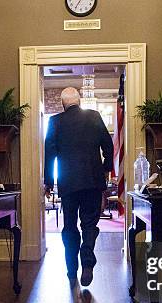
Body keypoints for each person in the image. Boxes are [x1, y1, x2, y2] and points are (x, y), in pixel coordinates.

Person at [44, 87, 114, 286]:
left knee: (69, 225)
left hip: (68, 183)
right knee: (90, 224)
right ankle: (88, 260)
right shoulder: (94, 116)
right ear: (79, 101)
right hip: (93, 180)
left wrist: (48, 181)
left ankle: (71, 269)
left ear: (62, 104)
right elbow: (108, 145)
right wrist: (106, 167)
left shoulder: (55, 122)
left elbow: (50, 154)